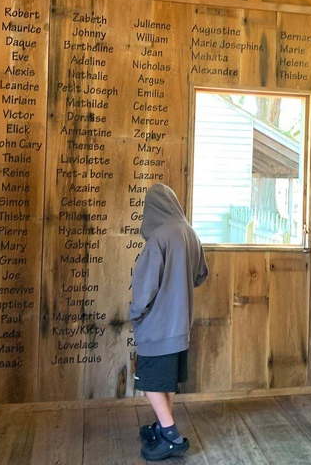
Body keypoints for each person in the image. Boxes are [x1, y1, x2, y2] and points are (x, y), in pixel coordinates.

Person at [129, 183, 208, 461]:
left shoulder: (159, 238)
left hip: (157, 326)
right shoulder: (190, 232)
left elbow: (145, 288)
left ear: (151, 208)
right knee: (168, 380)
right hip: (181, 326)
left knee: (149, 381)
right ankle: (162, 427)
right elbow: (201, 274)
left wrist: (136, 314)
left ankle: (172, 436)